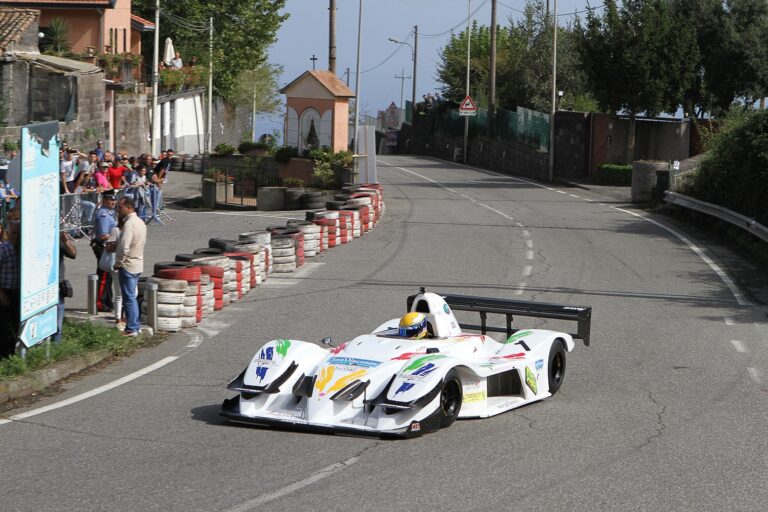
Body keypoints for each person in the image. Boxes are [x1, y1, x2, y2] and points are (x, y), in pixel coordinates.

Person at [111, 197, 146, 337]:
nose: (118, 210)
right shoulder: (140, 222)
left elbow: (124, 247)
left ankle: (132, 328)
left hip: (128, 264)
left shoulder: (129, 224)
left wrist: (118, 263)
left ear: (129, 208)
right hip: (137, 263)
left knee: (129, 298)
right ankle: (135, 326)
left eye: (120, 207)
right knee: (131, 297)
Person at [91, 191, 118, 312]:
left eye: (114, 200)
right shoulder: (104, 215)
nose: (113, 202)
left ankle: (107, 301)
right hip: (103, 246)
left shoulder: (109, 213)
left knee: (108, 277)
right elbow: (103, 235)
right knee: (104, 277)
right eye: (110, 200)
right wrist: (118, 234)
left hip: (107, 246)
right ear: (104, 200)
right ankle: (101, 303)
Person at [0, 220, 20, 359]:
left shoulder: (23, 249)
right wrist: (1, 293)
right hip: (5, 293)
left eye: (18, 233)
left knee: (16, 326)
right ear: (7, 233)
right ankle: (5, 357)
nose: (16, 236)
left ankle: (13, 355)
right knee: (5, 328)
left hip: (18, 294)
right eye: (13, 233)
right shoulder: (3, 249)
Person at [53, 231, 76, 343]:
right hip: (42, 286)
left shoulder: (57, 239)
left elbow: (73, 254)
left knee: (57, 325)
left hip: (57, 285)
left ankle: (55, 349)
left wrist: (66, 241)